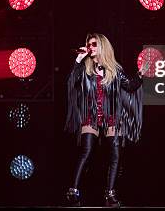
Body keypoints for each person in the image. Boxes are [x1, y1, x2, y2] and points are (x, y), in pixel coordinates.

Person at [64, 33, 144, 207]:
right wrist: (78, 60)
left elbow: (129, 86)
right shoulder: (84, 69)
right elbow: (71, 82)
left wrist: (140, 75)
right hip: (91, 114)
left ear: (102, 46)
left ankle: (110, 194)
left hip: (111, 115)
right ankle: (73, 192)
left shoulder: (115, 70)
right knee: (86, 151)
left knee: (115, 154)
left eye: (93, 44)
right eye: (88, 44)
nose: (90, 47)